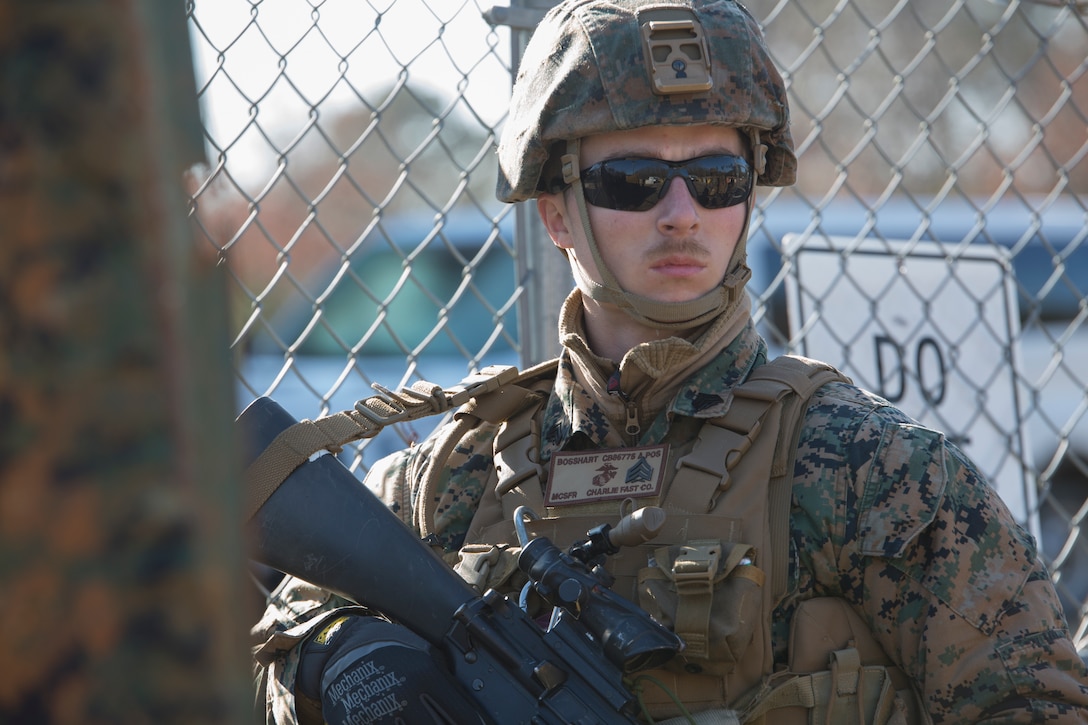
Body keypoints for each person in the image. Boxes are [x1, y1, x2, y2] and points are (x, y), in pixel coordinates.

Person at [250, 0, 1088, 723]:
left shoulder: (869, 469)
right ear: (555, 213)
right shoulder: (452, 475)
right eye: (633, 180)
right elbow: (287, 636)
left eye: (717, 178)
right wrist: (352, 662)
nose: (682, 214)